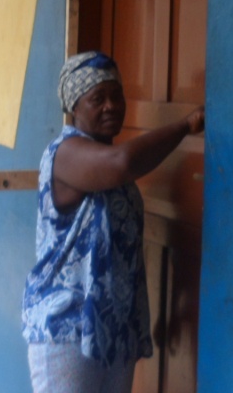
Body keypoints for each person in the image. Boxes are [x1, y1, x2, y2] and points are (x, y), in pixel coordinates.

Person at [22, 51, 205, 393]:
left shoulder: (101, 156)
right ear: (74, 107)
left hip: (114, 328)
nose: (111, 106)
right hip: (67, 329)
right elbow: (121, 163)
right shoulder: (65, 153)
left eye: (116, 95)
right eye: (97, 99)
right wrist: (185, 126)